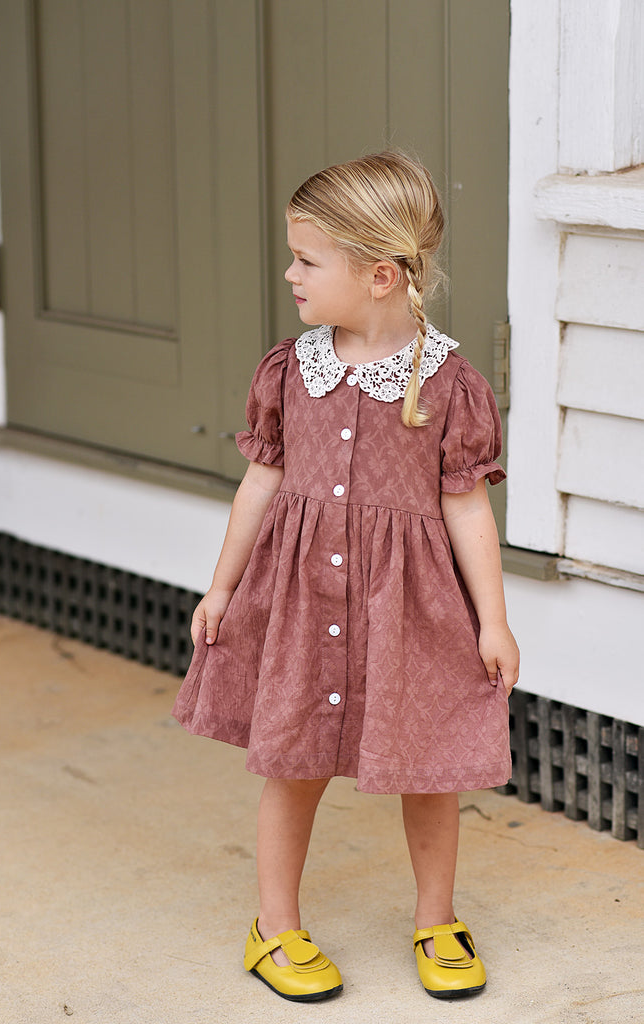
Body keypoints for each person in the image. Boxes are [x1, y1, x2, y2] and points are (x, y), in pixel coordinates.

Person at [173, 150, 520, 1004]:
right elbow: (260, 482)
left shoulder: (447, 383)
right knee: (291, 763)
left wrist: (492, 620)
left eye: (306, 260)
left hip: (411, 612)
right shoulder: (290, 370)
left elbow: (466, 509)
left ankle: (436, 918)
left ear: (378, 275)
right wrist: (220, 587)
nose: (290, 275)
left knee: (428, 768)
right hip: (302, 604)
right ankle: (275, 927)